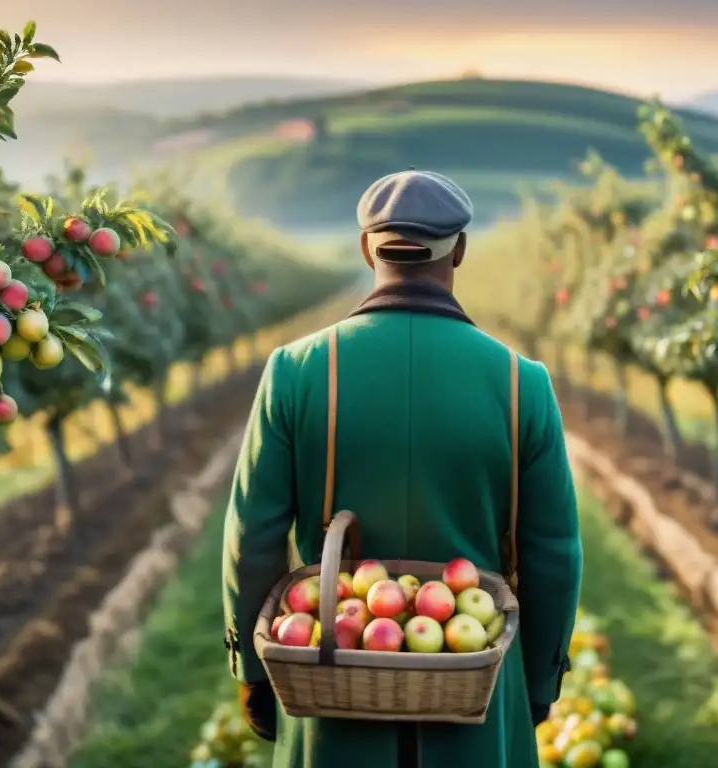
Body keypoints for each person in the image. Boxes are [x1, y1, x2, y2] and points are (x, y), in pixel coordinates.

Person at [222, 169, 582, 768]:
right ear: (459, 251)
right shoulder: (524, 384)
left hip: (331, 686)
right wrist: (537, 685)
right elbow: (554, 554)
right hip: (478, 694)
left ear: (368, 249)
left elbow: (251, 536)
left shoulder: (297, 370)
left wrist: (256, 669)